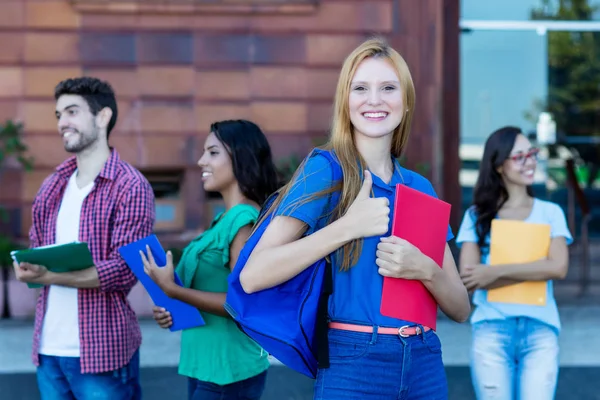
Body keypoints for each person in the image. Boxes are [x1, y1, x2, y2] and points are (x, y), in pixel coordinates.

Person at [237, 37, 471, 399]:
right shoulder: (325, 170)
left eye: (388, 88)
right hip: (355, 364)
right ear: (345, 102)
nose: (374, 100)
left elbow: (460, 308)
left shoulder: (420, 188)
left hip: (424, 360)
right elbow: (253, 275)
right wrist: (348, 227)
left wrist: (425, 269)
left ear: (406, 102)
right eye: (360, 88)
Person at [12, 77, 156, 399]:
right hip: (48, 352)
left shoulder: (131, 186)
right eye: (59, 114)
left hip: (103, 354)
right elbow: (38, 254)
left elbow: (123, 271)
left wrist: (53, 275)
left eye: (72, 112)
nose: (62, 122)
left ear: (102, 117)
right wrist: (31, 271)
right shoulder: (53, 185)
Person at [140, 120, 279, 400]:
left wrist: (173, 290)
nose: (202, 160)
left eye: (213, 152)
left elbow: (243, 302)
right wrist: (173, 307)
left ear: (241, 157)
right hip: (204, 365)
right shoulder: (222, 220)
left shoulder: (244, 220)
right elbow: (205, 289)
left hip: (228, 371)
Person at [455, 126, 572, 400]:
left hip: (540, 329)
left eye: (530, 153)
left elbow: (558, 267)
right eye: (519, 156)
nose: (529, 161)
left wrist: (495, 271)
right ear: (498, 165)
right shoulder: (476, 216)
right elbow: (469, 279)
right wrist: (536, 268)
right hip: (492, 329)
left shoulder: (550, 212)